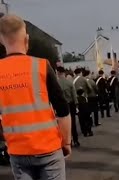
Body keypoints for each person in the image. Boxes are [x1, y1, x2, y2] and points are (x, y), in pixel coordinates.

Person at [0, 14, 71, 180]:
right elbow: (62, 109)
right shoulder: (41, 65)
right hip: (48, 148)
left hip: (18, 150)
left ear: (1, 40)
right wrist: (66, 142)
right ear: (27, 38)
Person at [57, 66, 80, 147]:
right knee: (73, 123)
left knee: (63, 125)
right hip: (71, 105)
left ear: (58, 73)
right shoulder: (69, 83)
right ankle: (76, 140)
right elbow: (74, 96)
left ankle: (68, 142)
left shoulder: (56, 83)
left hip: (61, 106)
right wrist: (76, 105)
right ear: (64, 73)